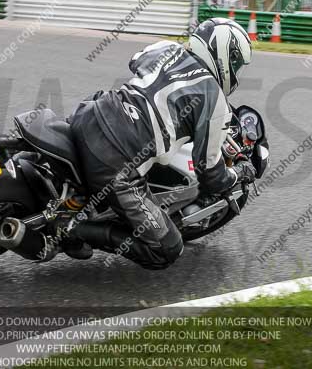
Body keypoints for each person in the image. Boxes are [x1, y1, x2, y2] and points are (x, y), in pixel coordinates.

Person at [56, 18, 258, 270]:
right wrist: (238, 173)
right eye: (236, 63)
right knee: (167, 249)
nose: (236, 71)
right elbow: (210, 173)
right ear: (223, 54)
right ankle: (73, 229)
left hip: (88, 115)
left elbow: (136, 60)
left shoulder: (167, 48)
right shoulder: (214, 98)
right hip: (115, 161)